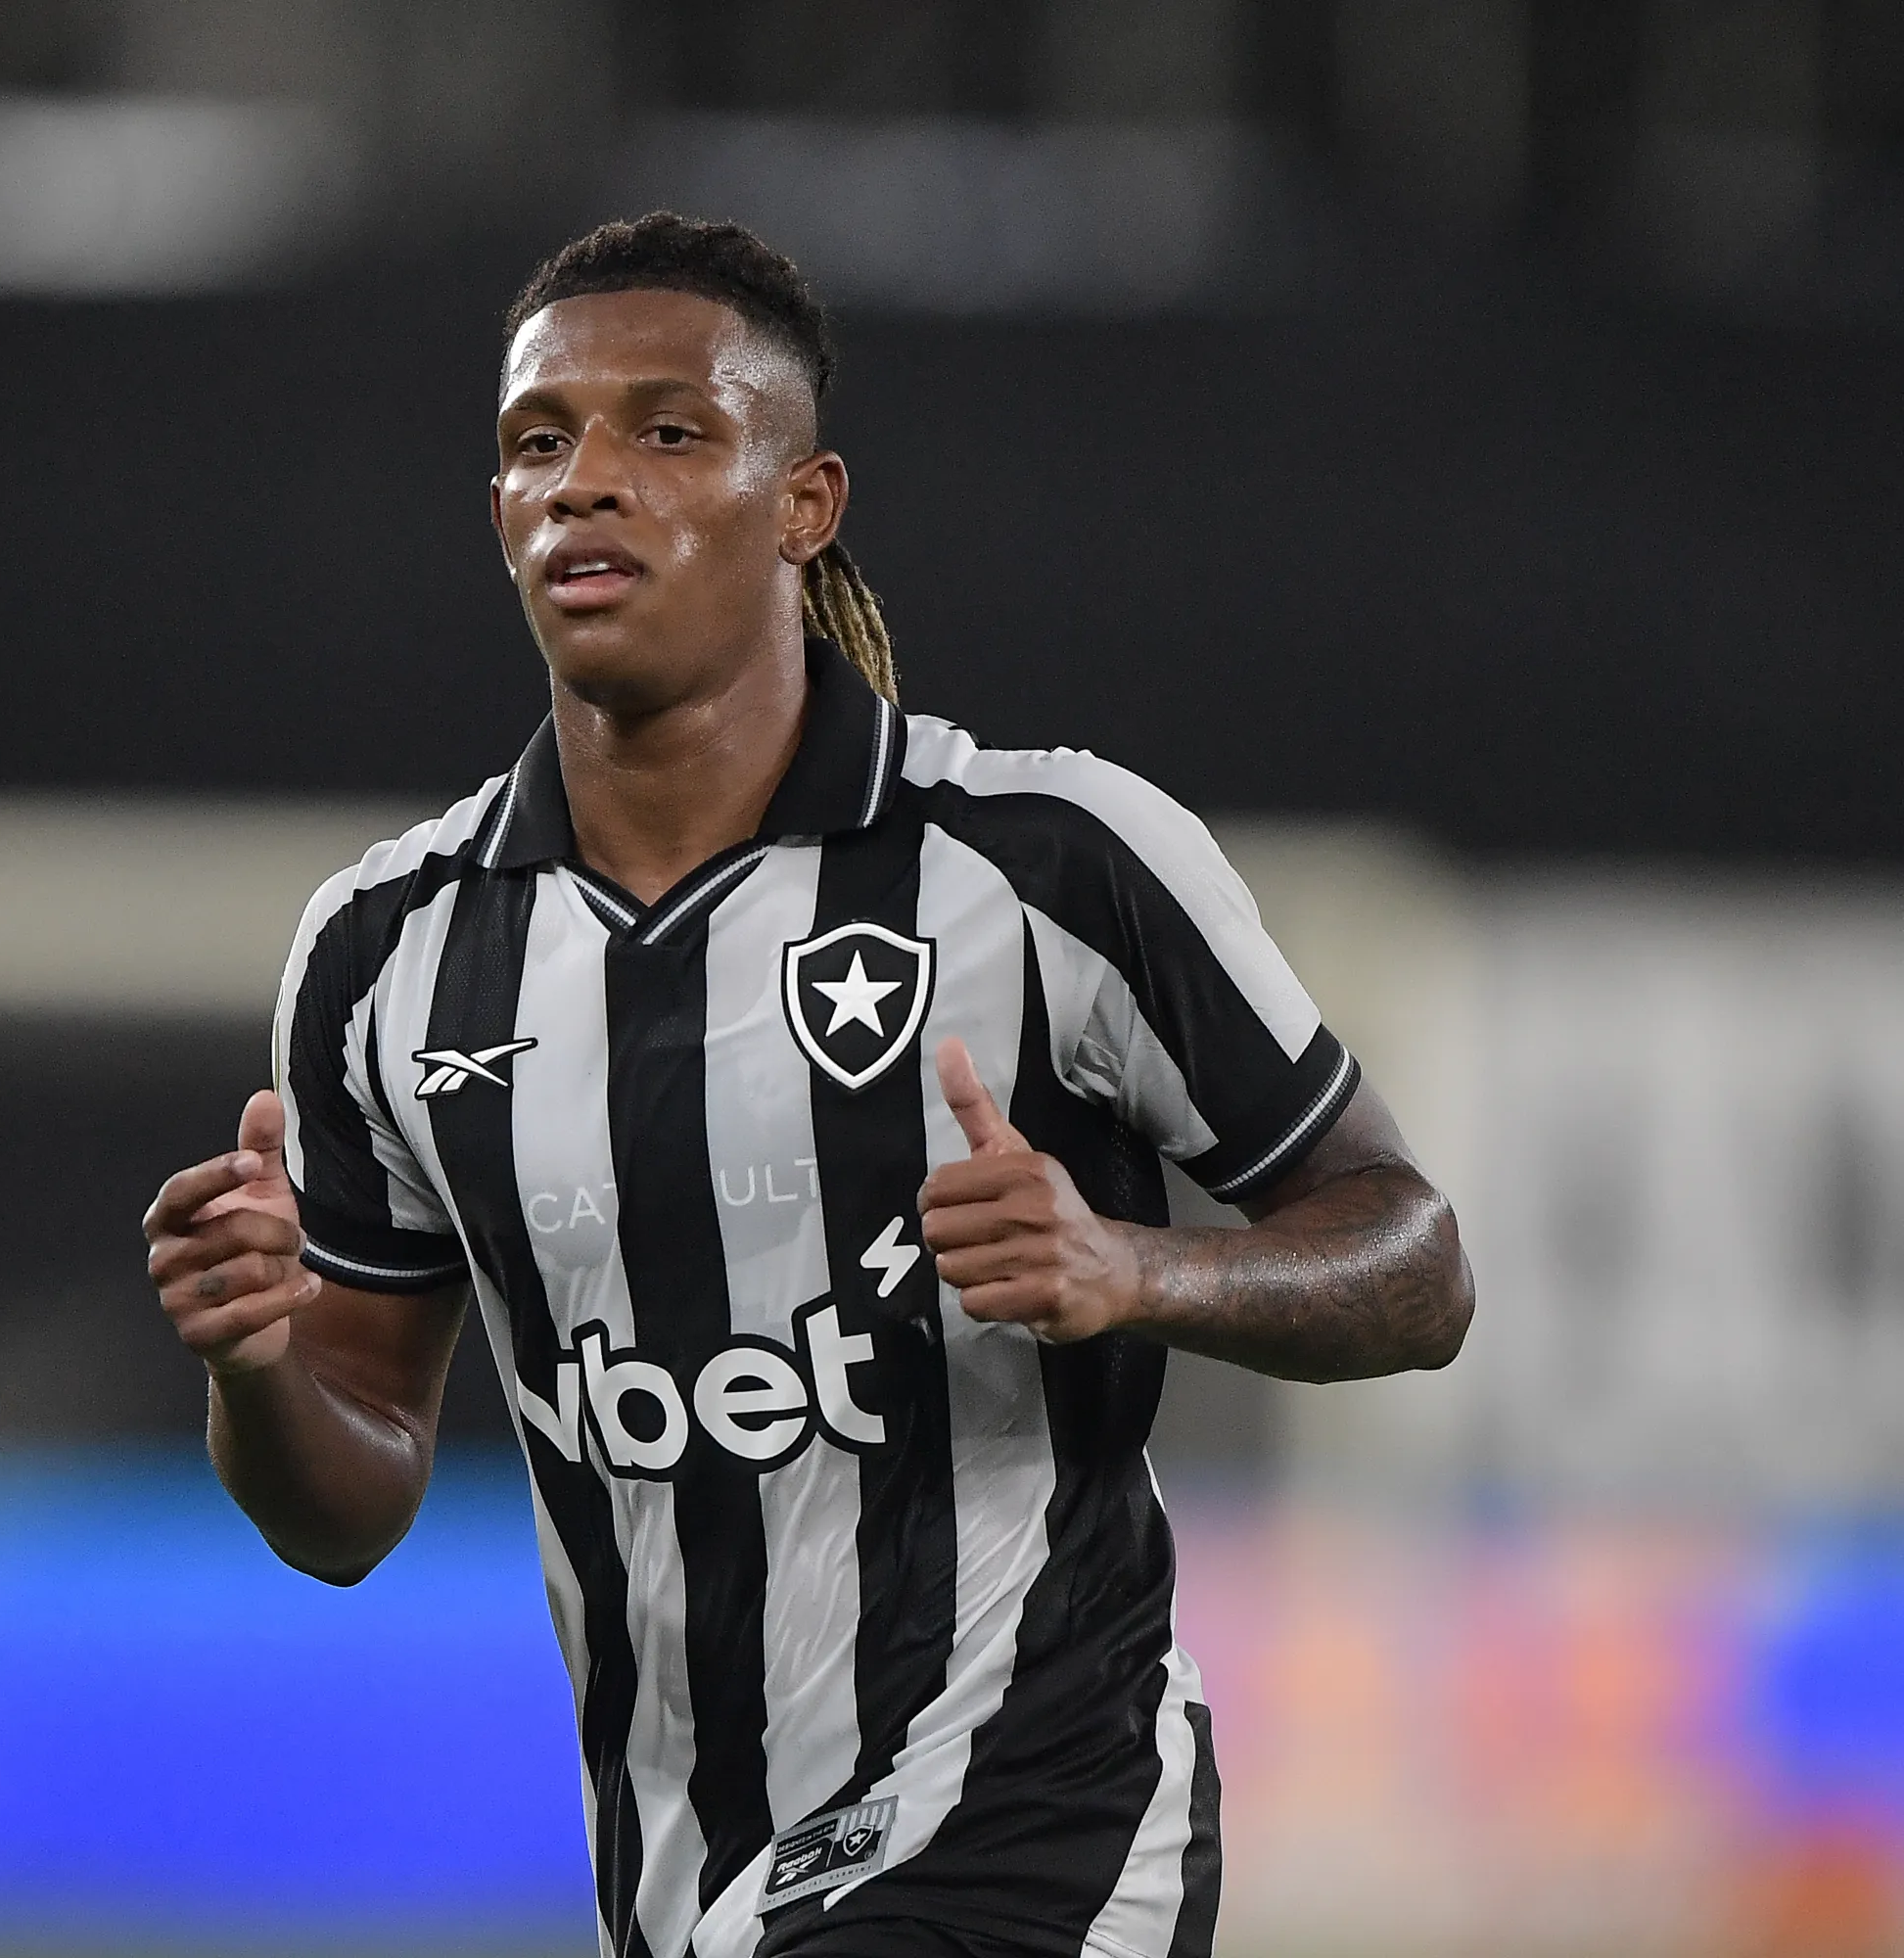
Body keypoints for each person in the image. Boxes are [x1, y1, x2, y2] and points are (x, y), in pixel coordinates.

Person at [140, 213, 1472, 1958]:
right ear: (499, 514)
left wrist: (1137, 1270)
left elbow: (1414, 1263)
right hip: (693, 1889)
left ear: (804, 504)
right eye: (540, 442)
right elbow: (347, 1508)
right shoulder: (390, 953)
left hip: (1040, 1818)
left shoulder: (1048, 864)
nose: (587, 480)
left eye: (667, 430)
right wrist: (254, 1368)